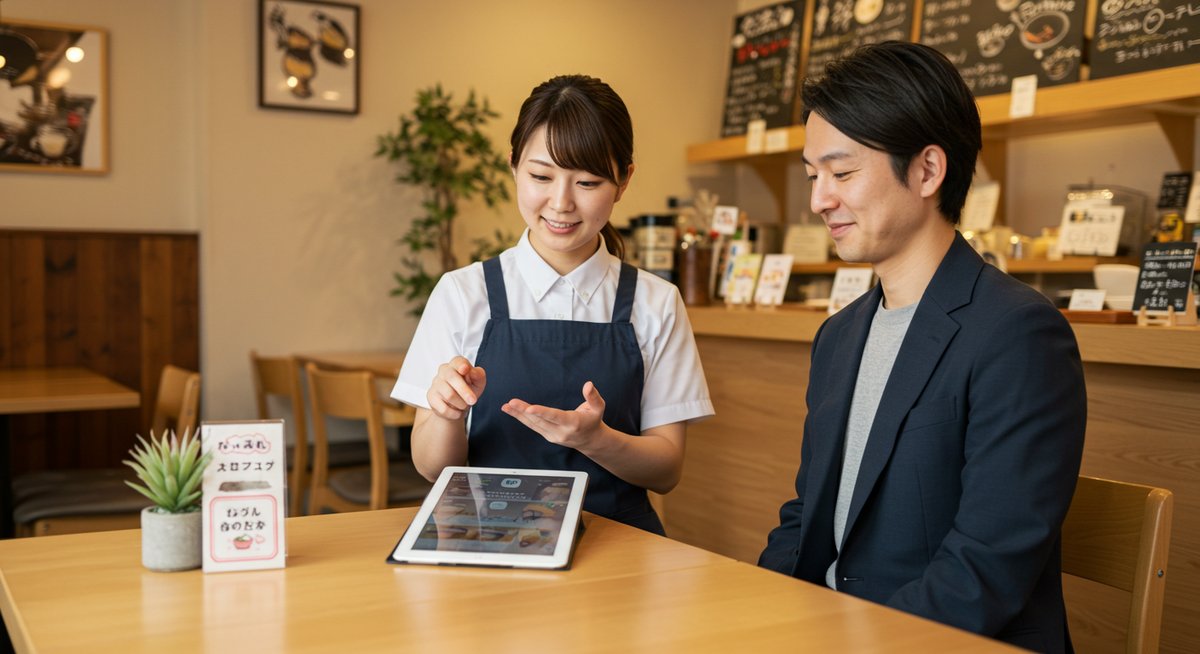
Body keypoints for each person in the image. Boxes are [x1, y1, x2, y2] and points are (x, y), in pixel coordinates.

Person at [757, 41, 1087, 652]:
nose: (819, 200)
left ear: (928, 170)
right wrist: (752, 617)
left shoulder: (1018, 333)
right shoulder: (839, 335)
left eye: (842, 173)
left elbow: (983, 570)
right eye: (812, 176)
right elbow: (806, 517)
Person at [391, 74, 713, 535]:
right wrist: (447, 414)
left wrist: (597, 440)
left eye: (588, 181)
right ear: (513, 166)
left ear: (624, 180)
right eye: (540, 176)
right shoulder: (462, 293)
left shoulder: (656, 301)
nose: (561, 203)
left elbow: (666, 471)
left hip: (621, 543)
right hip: (487, 540)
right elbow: (431, 467)